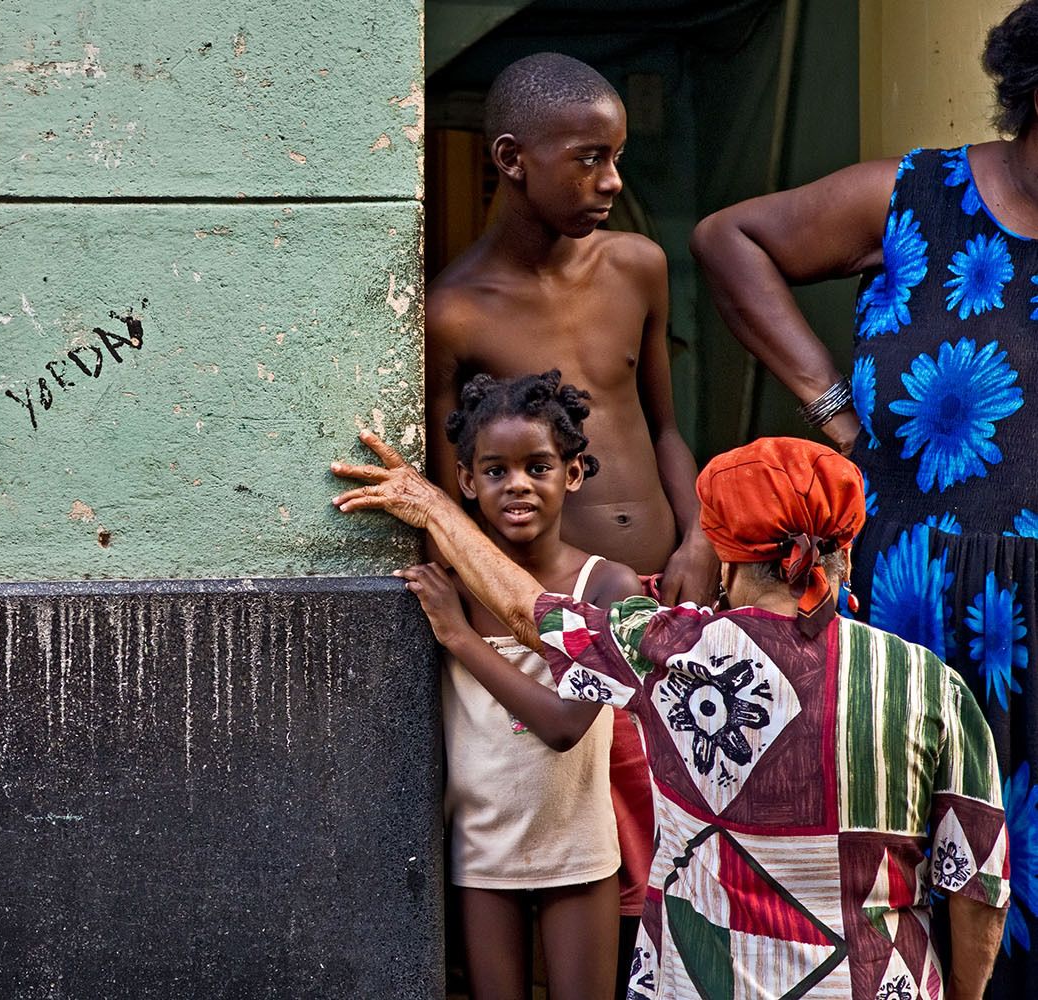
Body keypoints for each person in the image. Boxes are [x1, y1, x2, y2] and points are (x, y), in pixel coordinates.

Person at [331, 432, 1010, 1000]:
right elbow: (980, 883)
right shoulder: (933, 684)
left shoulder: (671, 652)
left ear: (723, 551)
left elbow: (525, 610)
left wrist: (433, 510)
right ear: (846, 549)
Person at [690, 3, 1038, 990]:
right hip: (913, 601)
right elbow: (730, 240)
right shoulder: (915, 194)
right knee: (909, 856)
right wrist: (838, 414)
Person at [426, 52, 717, 961]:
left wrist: (702, 533)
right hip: (549, 632)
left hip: (664, 604)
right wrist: (520, 611)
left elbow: (668, 427)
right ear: (513, 158)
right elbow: (454, 493)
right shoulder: (457, 315)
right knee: (580, 867)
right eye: (589, 157)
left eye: (617, 155)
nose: (614, 180)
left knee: (682, 873)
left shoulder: (637, 265)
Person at [437, 372, 643, 999]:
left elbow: (562, 724)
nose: (517, 484)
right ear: (467, 483)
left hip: (577, 849)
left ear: (573, 473)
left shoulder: (609, 589)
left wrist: (462, 639)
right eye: (494, 471)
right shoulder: (454, 588)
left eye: (539, 466)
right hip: (483, 851)